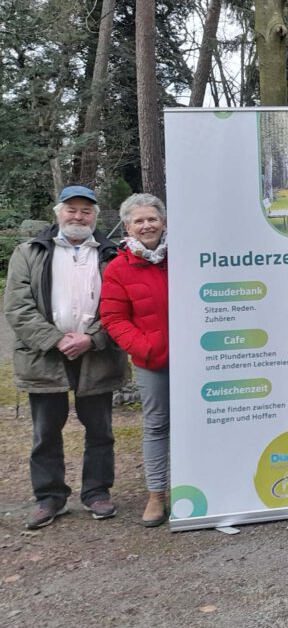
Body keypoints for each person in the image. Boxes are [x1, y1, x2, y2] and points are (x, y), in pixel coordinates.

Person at [4, 185, 126, 530]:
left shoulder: (111, 253)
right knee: (46, 431)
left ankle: (97, 492)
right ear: (58, 213)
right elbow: (17, 307)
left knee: (100, 428)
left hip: (97, 355)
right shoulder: (29, 252)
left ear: (95, 216)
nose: (78, 216)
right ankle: (49, 497)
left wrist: (92, 339)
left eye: (86, 211)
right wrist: (56, 340)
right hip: (44, 356)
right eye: (71, 209)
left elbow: (121, 306)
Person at [99, 194, 170, 527]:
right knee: (157, 425)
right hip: (153, 362)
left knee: (205, 422)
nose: (147, 225)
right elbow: (113, 318)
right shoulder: (118, 268)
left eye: (152, 219)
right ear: (127, 227)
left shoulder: (187, 257)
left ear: (163, 222)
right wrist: (146, 348)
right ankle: (157, 494)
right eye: (139, 221)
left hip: (199, 358)